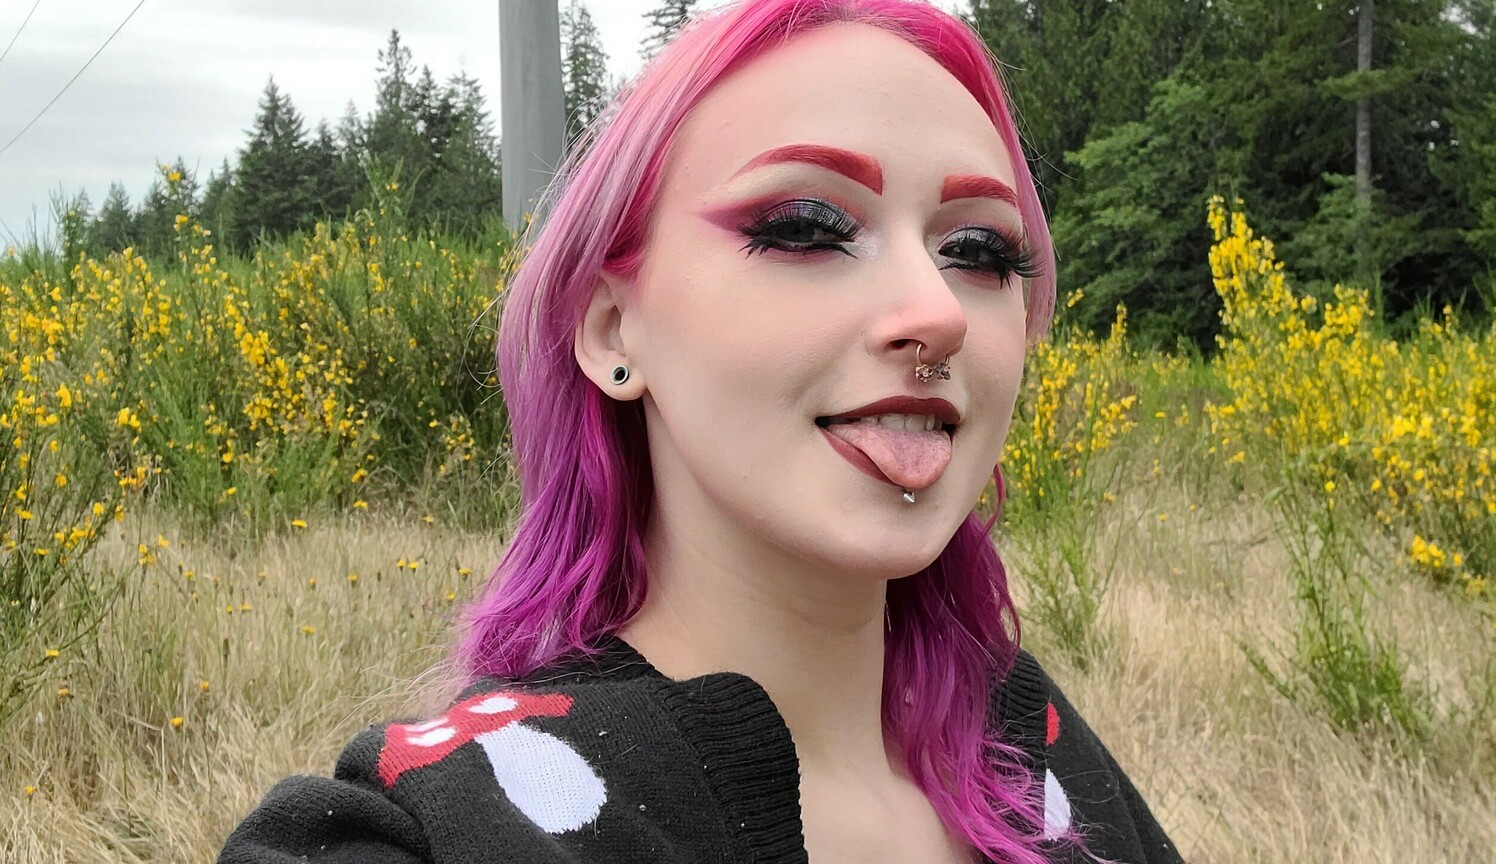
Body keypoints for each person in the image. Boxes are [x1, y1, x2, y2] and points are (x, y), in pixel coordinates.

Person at [217, 1, 1184, 862]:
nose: (937, 314)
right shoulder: (450, 825)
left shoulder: (1033, 746)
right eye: (807, 227)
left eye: (980, 249)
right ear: (613, 331)